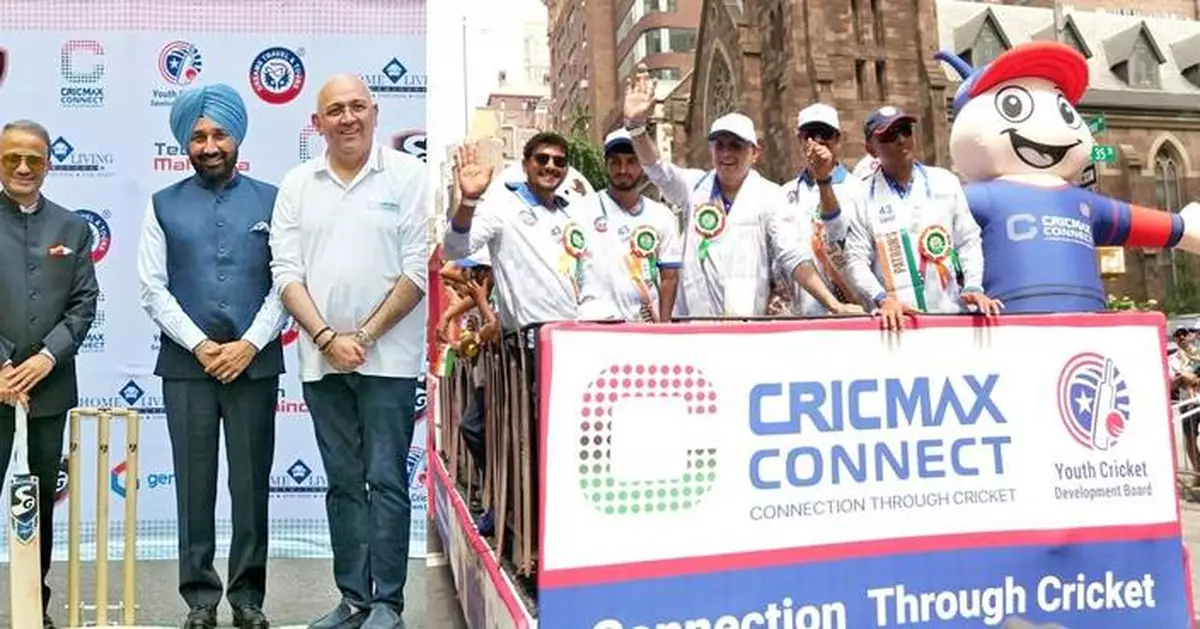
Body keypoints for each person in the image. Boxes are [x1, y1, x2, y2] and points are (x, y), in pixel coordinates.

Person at [269, 75, 428, 629]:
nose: (348, 118)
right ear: (317, 123)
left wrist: (361, 337)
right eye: (335, 110)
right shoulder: (296, 183)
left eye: (358, 106)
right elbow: (286, 273)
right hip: (321, 360)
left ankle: (389, 603)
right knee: (342, 483)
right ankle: (354, 599)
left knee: (386, 479)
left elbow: (416, 270)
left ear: (376, 112)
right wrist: (325, 339)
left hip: (390, 360)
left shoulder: (410, 176)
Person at [136, 84, 286, 629]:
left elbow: (286, 283)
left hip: (255, 364)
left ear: (237, 136)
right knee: (193, 484)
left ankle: (248, 598)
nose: (209, 144)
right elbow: (152, 289)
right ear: (184, 143)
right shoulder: (161, 205)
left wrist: (248, 345)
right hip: (186, 369)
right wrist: (201, 346)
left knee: (251, 486)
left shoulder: (275, 199)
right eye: (197, 136)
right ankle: (200, 599)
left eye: (219, 133)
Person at [621, 67, 862, 317]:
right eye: (720, 145)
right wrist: (636, 127)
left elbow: (793, 257)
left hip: (746, 331)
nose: (726, 154)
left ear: (754, 153)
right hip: (695, 326)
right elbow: (658, 169)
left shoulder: (771, 196)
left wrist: (833, 304)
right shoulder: (694, 187)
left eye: (736, 146)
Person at [0, 119, 100, 629]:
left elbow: (84, 304)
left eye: (33, 159)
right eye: (12, 158)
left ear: (48, 163)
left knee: (35, 506)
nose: (22, 168)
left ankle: (31, 610)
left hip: (49, 386)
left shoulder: (72, 228)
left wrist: (45, 359)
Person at [844, 106, 1003, 331]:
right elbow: (856, 261)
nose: (901, 140)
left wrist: (974, 286)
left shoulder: (945, 181)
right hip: (899, 324)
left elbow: (968, 240)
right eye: (889, 136)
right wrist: (881, 298)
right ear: (871, 149)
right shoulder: (861, 196)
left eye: (905, 130)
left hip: (949, 317)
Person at [779, 103, 869, 316]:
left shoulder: (861, 190)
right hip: (802, 318)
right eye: (810, 134)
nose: (818, 141)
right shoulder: (783, 194)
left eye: (826, 134)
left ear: (838, 139)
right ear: (800, 139)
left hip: (855, 313)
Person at [587, 128, 682, 322]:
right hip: (596, 324)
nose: (623, 170)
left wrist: (664, 327)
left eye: (631, 162)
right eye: (615, 162)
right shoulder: (583, 209)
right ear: (605, 165)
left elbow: (669, 277)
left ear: (643, 165)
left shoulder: (662, 215)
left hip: (643, 325)